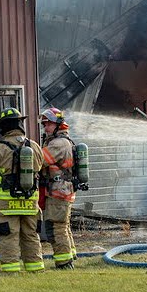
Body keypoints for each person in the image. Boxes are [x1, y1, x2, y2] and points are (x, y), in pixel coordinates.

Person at [0, 107, 46, 273]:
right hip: (30, 201)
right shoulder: (34, 147)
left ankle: (10, 270)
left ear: (3, 127)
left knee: (9, 236)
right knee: (31, 235)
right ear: (20, 124)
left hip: (7, 203)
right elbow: (40, 167)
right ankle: (36, 269)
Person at [38, 107, 80, 270]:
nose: (45, 128)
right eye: (44, 124)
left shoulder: (58, 144)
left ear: (58, 125)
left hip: (58, 191)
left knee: (56, 226)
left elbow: (40, 161)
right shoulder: (62, 141)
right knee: (63, 225)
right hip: (62, 191)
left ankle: (64, 263)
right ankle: (70, 256)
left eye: (48, 124)